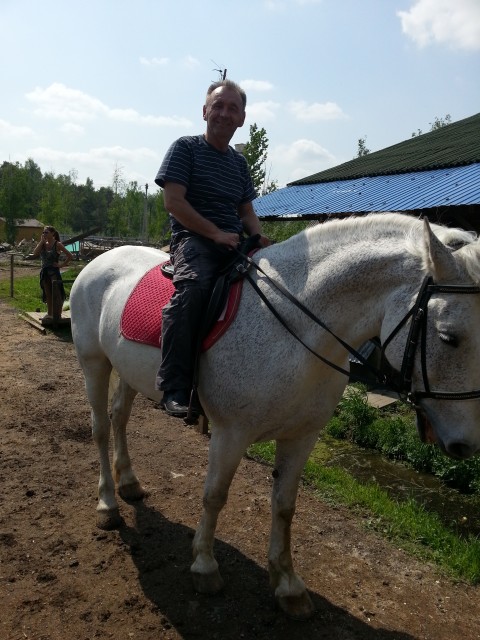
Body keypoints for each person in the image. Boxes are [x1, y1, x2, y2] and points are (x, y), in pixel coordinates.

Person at [155, 79, 270, 418]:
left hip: (232, 242)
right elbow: (173, 202)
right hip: (194, 240)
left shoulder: (239, 164)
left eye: (232, 107)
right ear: (205, 111)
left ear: (242, 118)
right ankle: (174, 384)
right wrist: (215, 233)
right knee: (192, 291)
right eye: (218, 105)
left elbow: (247, 211)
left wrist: (257, 236)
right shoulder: (185, 148)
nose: (224, 112)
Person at [32, 225, 73, 321]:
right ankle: (49, 313)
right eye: (43, 232)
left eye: (46, 232)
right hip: (45, 272)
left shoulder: (57, 244)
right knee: (48, 293)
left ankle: (58, 314)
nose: (44, 234)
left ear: (52, 233)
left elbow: (70, 255)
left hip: (54, 272)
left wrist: (61, 265)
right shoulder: (42, 244)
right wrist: (42, 241)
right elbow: (35, 253)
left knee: (57, 293)